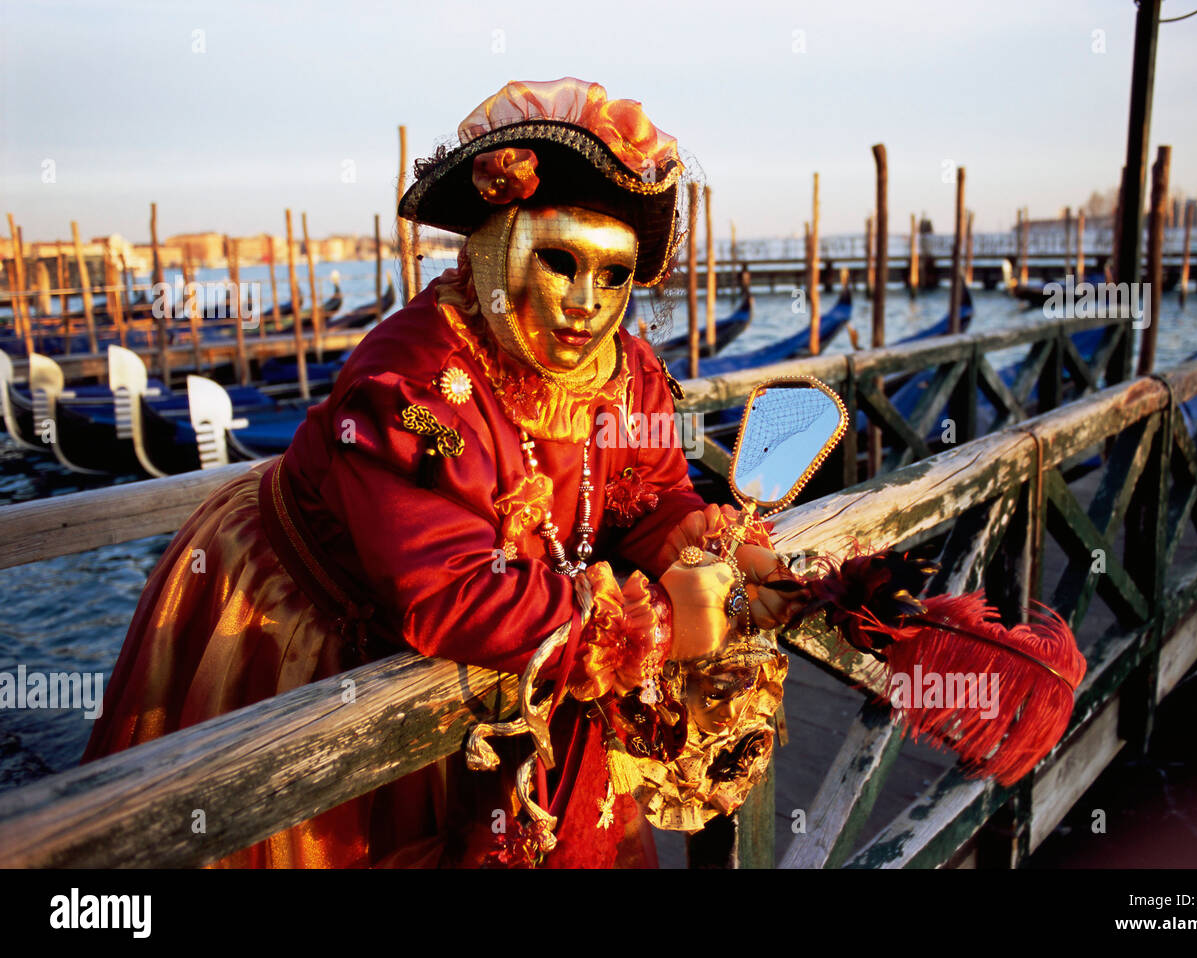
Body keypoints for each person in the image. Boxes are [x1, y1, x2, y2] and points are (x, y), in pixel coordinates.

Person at [82, 77, 805, 868]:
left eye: (615, 274)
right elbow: (443, 591)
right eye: (560, 261)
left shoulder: (626, 369)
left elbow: (651, 495)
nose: (588, 304)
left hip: (521, 645)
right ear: (500, 247)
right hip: (323, 628)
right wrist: (651, 626)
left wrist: (707, 546)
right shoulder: (414, 380)